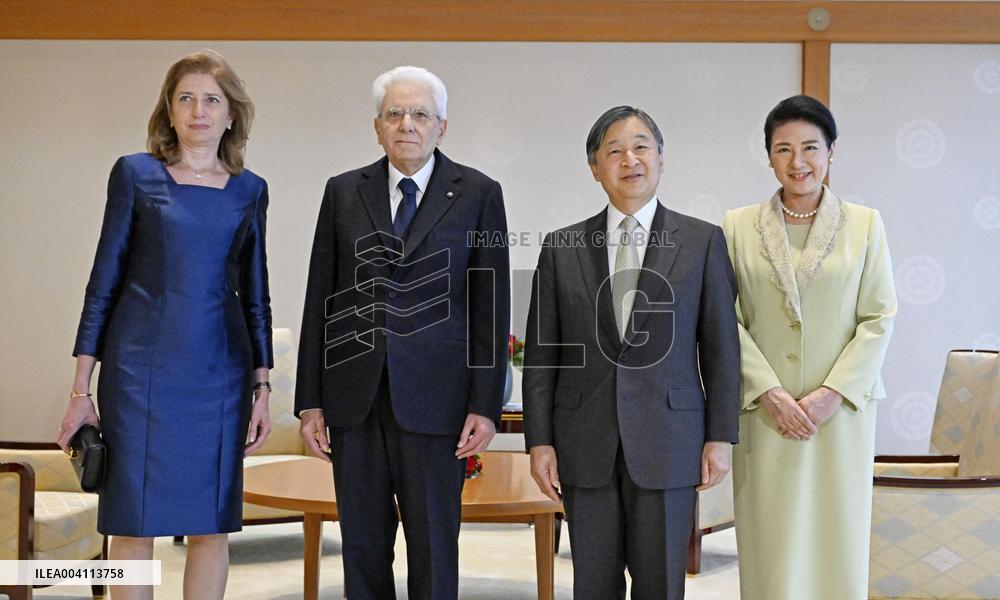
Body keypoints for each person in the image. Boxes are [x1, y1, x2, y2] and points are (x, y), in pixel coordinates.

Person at [57, 50, 273, 600]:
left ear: (231, 115)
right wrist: (81, 388)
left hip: (219, 376)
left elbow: (255, 294)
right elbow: (102, 282)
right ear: (169, 111)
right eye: (185, 98)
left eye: (212, 99)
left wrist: (262, 386)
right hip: (138, 376)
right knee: (132, 522)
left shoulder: (251, 190)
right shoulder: (134, 173)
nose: (198, 110)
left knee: (211, 526)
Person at [295, 65, 510, 600]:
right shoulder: (344, 192)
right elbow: (320, 297)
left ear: (442, 126)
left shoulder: (479, 193)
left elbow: (490, 305)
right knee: (362, 548)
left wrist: (486, 405)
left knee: (435, 548)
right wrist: (310, 401)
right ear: (376, 126)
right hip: (355, 400)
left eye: (420, 114)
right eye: (395, 114)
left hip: (440, 403)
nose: (406, 124)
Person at [523, 106, 740, 600]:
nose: (630, 159)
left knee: (661, 584)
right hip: (583, 442)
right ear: (595, 168)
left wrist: (720, 436)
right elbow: (542, 355)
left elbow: (722, 348)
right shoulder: (562, 248)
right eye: (614, 150)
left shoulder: (702, 242)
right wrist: (540, 441)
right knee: (593, 585)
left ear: (661, 159)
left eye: (641, 146)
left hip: (670, 440)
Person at [722, 95, 896, 600]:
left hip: (839, 416)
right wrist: (770, 392)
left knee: (835, 540)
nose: (798, 163)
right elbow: (724, 320)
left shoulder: (866, 224)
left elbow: (879, 317)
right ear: (769, 156)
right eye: (783, 149)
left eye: (810, 148)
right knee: (771, 544)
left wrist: (829, 395)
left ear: (831, 151)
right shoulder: (736, 227)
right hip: (764, 414)